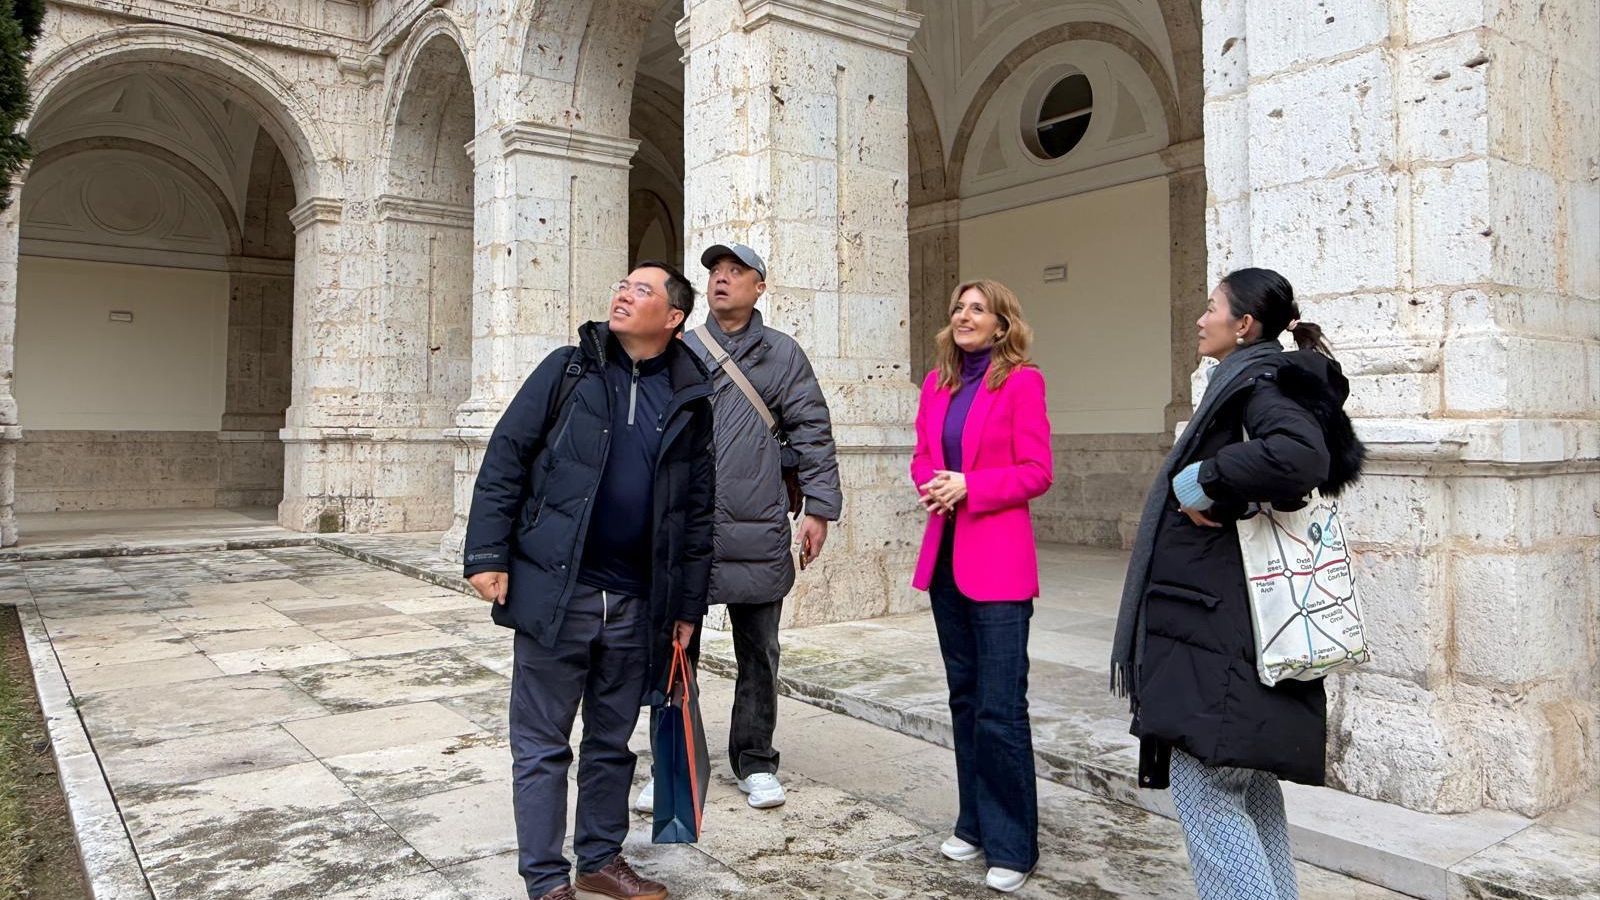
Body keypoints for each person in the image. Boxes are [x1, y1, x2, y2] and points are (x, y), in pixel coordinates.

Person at [1109, 267, 1365, 900]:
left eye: (1212, 307)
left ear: (1243, 325)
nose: (1200, 318)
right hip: (1226, 622)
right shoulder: (1255, 378)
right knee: (1247, 787)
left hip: (1219, 630)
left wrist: (1200, 479)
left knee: (1205, 795)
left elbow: (1301, 458)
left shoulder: (1257, 382)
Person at [463, 261, 716, 900]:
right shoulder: (568, 368)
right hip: (559, 590)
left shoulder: (692, 396)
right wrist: (486, 553)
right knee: (544, 744)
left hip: (638, 603)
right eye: (623, 286)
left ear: (674, 316)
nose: (624, 295)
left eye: (642, 290)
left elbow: (697, 513)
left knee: (611, 742)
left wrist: (687, 605)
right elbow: (506, 456)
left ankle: (600, 859)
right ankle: (547, 882)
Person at [634, 242, 843, 813]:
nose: (722, 281)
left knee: (759, 653)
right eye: (715, 273)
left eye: (736, 273)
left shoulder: (783, 355)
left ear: (760, 287)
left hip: (759, 527)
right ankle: (673, 761)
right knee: (675, 653)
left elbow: (812, 433)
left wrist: (819, 509)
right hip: (686, 530)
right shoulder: (680, 349)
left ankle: (754, 760)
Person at [910, 279, 1052, 894]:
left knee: (1000, 707)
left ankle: (1014, 843)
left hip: (998, 566)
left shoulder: (1023, 382)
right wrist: (935, 482)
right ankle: (972, 821)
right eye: (957, 306)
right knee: (964, 700)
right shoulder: (937, 384)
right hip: (946, 560)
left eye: (976, 308)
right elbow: (921, 454)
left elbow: (1037, 471)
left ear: (1001, 325)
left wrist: (971, 485)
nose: (962, 314)